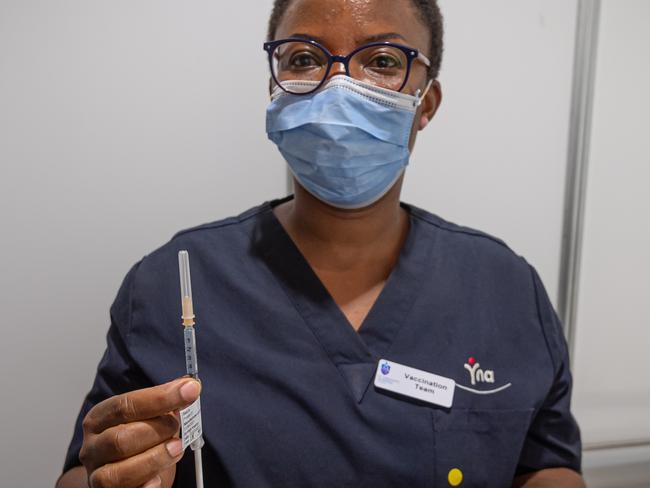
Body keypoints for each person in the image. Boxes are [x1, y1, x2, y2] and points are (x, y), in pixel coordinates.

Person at [56, 1, 585, 487]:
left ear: (426, 104)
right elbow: (90, 468)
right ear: (274, 91)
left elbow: (546, 465)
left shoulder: (506, 289)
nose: (338, 87)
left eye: (381, 61)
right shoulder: (173, 281)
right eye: (305, 58)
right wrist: (111, 474)